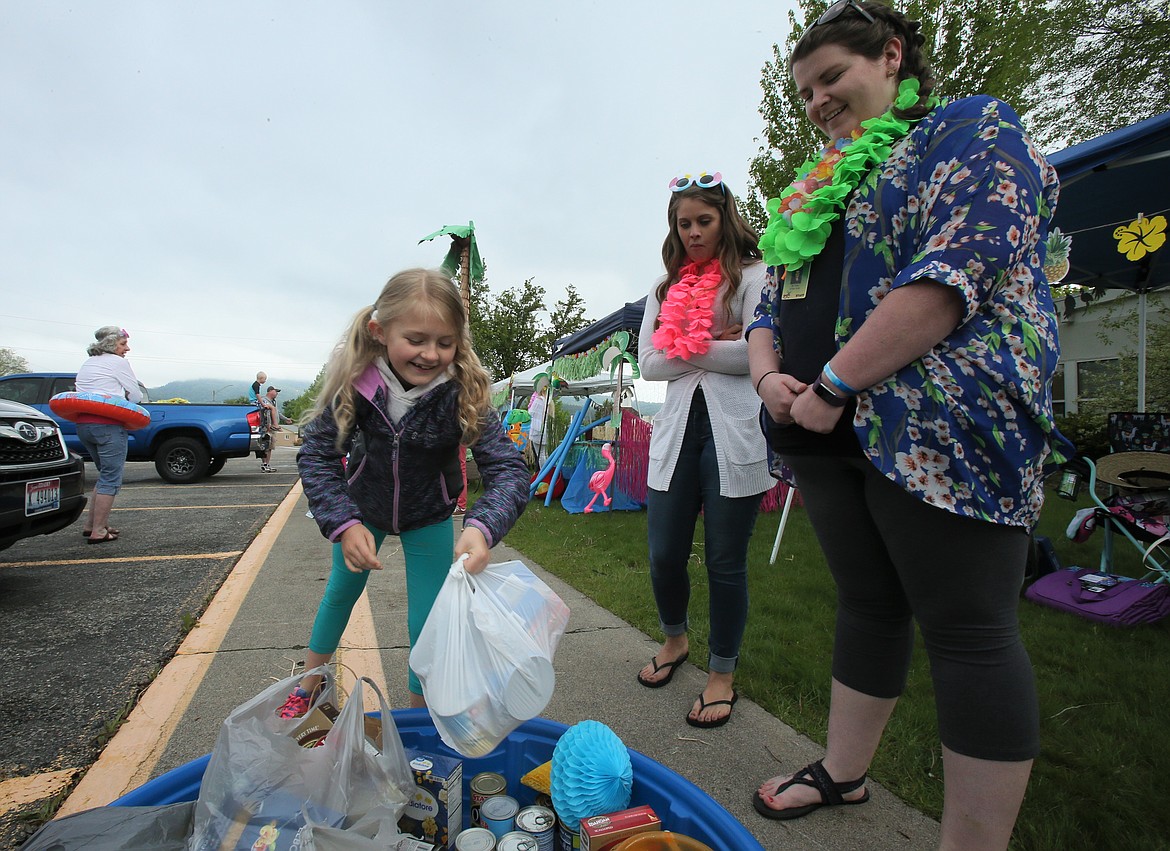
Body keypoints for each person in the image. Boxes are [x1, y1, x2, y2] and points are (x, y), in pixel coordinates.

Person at [745, 3, 1070, 847]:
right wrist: (770, 372)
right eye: (805, 89)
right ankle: (843, 772)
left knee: (968, 631)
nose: (816, 101)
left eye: (832, 78)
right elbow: (773, 300)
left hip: (939, 425)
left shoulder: (967, 129)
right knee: (867, 603)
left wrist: (836, 381)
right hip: (820, 431)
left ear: (892, 57)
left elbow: (956, 268)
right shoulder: (818, 183)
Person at [281, 268, 530, 716]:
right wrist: (342, 521)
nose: (430, 354)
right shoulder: (357, 384)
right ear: (380, 331)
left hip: (428, 515)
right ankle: (309, 687)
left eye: (445, 342)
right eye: (416, 339)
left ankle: (418, 717)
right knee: (340, 592)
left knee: (428, 622)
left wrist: (482, 528)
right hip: (364, 510)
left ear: (459, 341)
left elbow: (509, 469)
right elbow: (317, 455)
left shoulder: (462, 392)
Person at [635, 172, 772, 729]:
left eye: (703, 221)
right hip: (676, 434)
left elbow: (758, 355)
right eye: (683, 223)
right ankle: (675, 640)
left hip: (734, 429)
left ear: (725, 218)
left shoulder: (756, 277)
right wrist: (722, 343)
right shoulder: (663, 291)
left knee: (724, 560)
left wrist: (690, 347)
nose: (692, 232)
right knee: (664, 552)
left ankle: (722, 673)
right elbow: (649, 364)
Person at [74, 326, 143, 544]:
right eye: (123, 344)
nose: (127, 349)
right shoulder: (117, 362)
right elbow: (136, 395)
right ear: (111, 344)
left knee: (104, 475)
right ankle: (98, 531)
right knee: (111, 479)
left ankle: (92, 525)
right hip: (108, 425)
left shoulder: (89, 362)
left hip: (84, 425)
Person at [259, 385, 290, 472]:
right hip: (267, 427)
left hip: (273, 429)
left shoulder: (273, 402)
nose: (277, 393)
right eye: (275, 391)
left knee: (270, 446)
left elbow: (277, 413)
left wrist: (286, 419)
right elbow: (266, 414)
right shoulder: (264, 401)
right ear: (270, 391)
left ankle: (267, 464)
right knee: (265, 445)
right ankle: (264, 464)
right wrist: (268, 425)